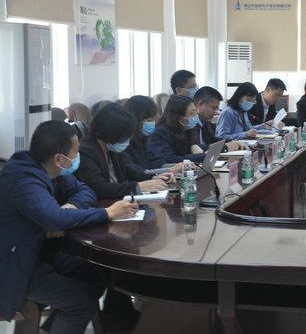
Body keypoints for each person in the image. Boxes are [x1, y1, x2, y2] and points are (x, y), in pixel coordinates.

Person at [0, 121, 138, 334]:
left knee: (101, 273)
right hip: (15, 266)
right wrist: (108, 213)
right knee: (80, 303)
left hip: (40, 255)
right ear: (59, 158)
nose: (77, 157)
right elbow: (55, 220)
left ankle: (55, 328)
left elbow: (86, 191)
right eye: (75, 152)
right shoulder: (23, 179)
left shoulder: (50, 170)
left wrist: (69, 208)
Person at [75, 103, 171, 199]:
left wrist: (152, 177)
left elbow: (128, 171)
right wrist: (137, 187)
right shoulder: (86, 152)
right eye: (126, 137)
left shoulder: (110, 148)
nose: (128, 141)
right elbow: (98, 187)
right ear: (112, 132)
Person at [147, 95, 206, 167]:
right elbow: (169, 159)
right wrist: (201, 156)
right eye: (191, 114)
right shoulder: (161, 132)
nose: (195, 117)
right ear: (179, 118)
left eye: (195, 113)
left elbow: (196, 146)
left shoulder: (187, 128)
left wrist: (194, 145)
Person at [193, 86, 246, 151]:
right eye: (214, 108)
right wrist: (226, 147)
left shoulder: (205, 123)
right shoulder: (190, 124)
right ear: (200, 104)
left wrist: (233, 142)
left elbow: (214, 140)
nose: (215, 112)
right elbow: (200, 148)